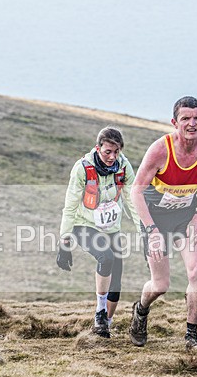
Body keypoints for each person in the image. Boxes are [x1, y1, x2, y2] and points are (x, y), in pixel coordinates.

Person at [129, 97, 197, 350]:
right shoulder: (160, 150)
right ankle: (140, 310)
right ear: (174, 122)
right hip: (155, 218)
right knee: (160, 285)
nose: (192, 124)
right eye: (185, 119)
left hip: (185, 217)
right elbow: (135, 192)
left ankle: (191, 336)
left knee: (196, 272)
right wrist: (152, 231)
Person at [57, 127, 139, 338]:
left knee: (117, 280)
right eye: (107, 152)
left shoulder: (123, 166)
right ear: (98, 148)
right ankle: (100, 313)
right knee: (106, 257)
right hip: (83, 225)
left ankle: (105, 327)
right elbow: (70, 206)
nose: (112, 157)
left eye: (117, 152)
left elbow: (132, 201)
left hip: (111, 228)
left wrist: (143, 232)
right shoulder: (82, 169)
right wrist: (64, 242)